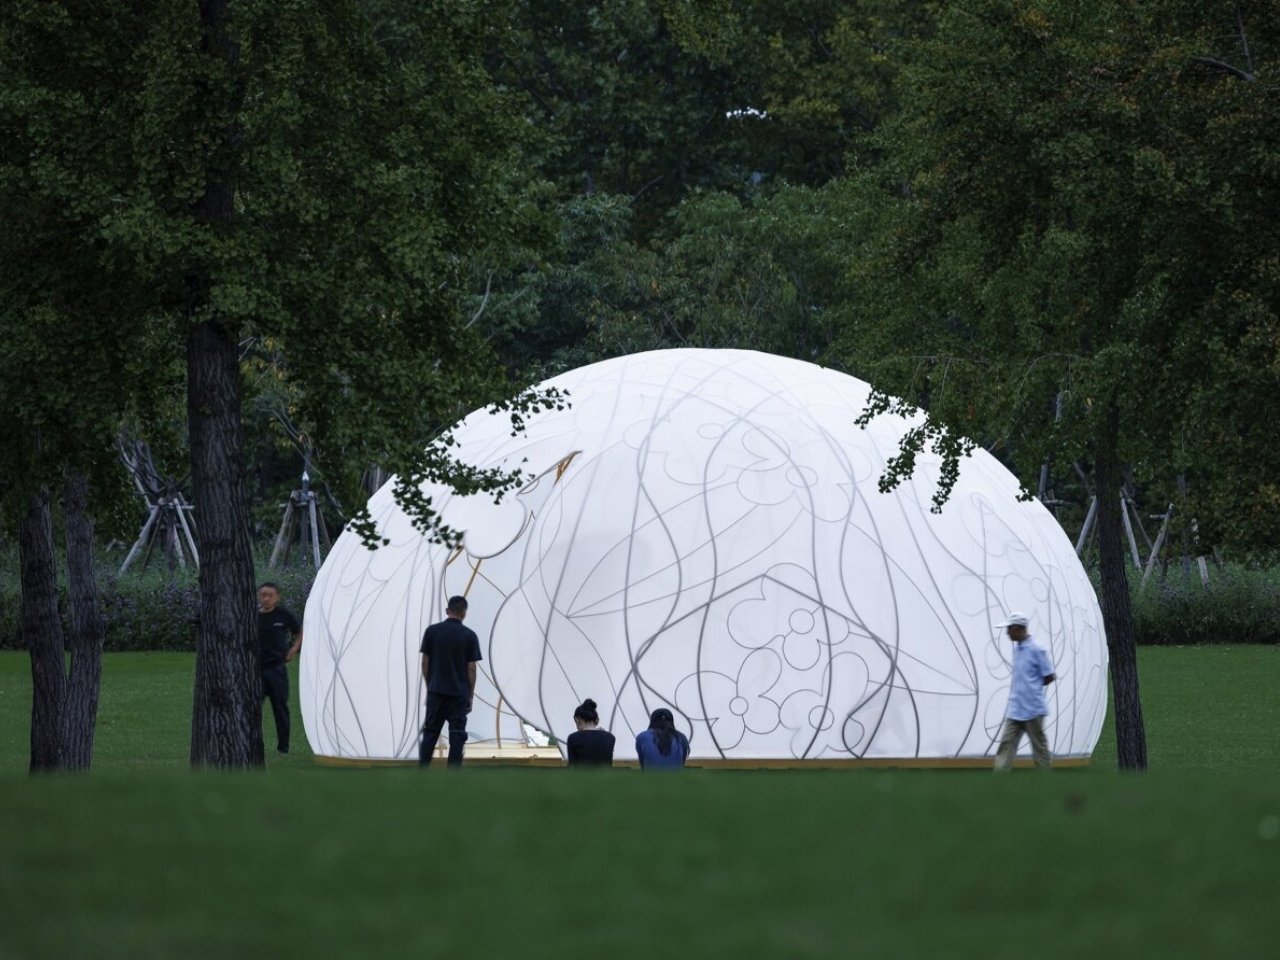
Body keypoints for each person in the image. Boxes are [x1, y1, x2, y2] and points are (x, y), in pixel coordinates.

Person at [419, 595, 482, 767]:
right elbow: (471, 668)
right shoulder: (470, 636)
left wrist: (430, 685)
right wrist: (470, 695)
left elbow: (425, 662)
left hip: (436, 691)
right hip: (459, 694)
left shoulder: (431, 632)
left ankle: (421, 772)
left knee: (430, 733)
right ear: (464, 613)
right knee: (457, 735)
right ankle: (453, 777)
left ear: (448, 611)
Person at [993, 612, 1056, 771]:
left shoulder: (1037, 649)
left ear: (1018, 628)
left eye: (1009, 629)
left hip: (1033, 709)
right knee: (1006, 745)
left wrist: (1032, 688)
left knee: (1039, 748)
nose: (1007, 633)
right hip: (1015, 709)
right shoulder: (1018, 649)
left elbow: (1049, 675)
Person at [257, 582, 302, 755]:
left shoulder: (283, 615)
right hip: (256, 671)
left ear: (277, 597)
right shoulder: (253, 616)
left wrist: (293, 649)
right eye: (263, 595)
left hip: (276, 670)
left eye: (270, 595)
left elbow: (299, 631)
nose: (266, 598)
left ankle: (283, 747)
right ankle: (254, 744)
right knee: (253, 709)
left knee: (280, 708)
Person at [566, 699, 615, 767]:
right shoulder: (610, 737)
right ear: (596, 720)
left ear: (577, 720)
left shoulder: (573, 738)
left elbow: (572, 767)